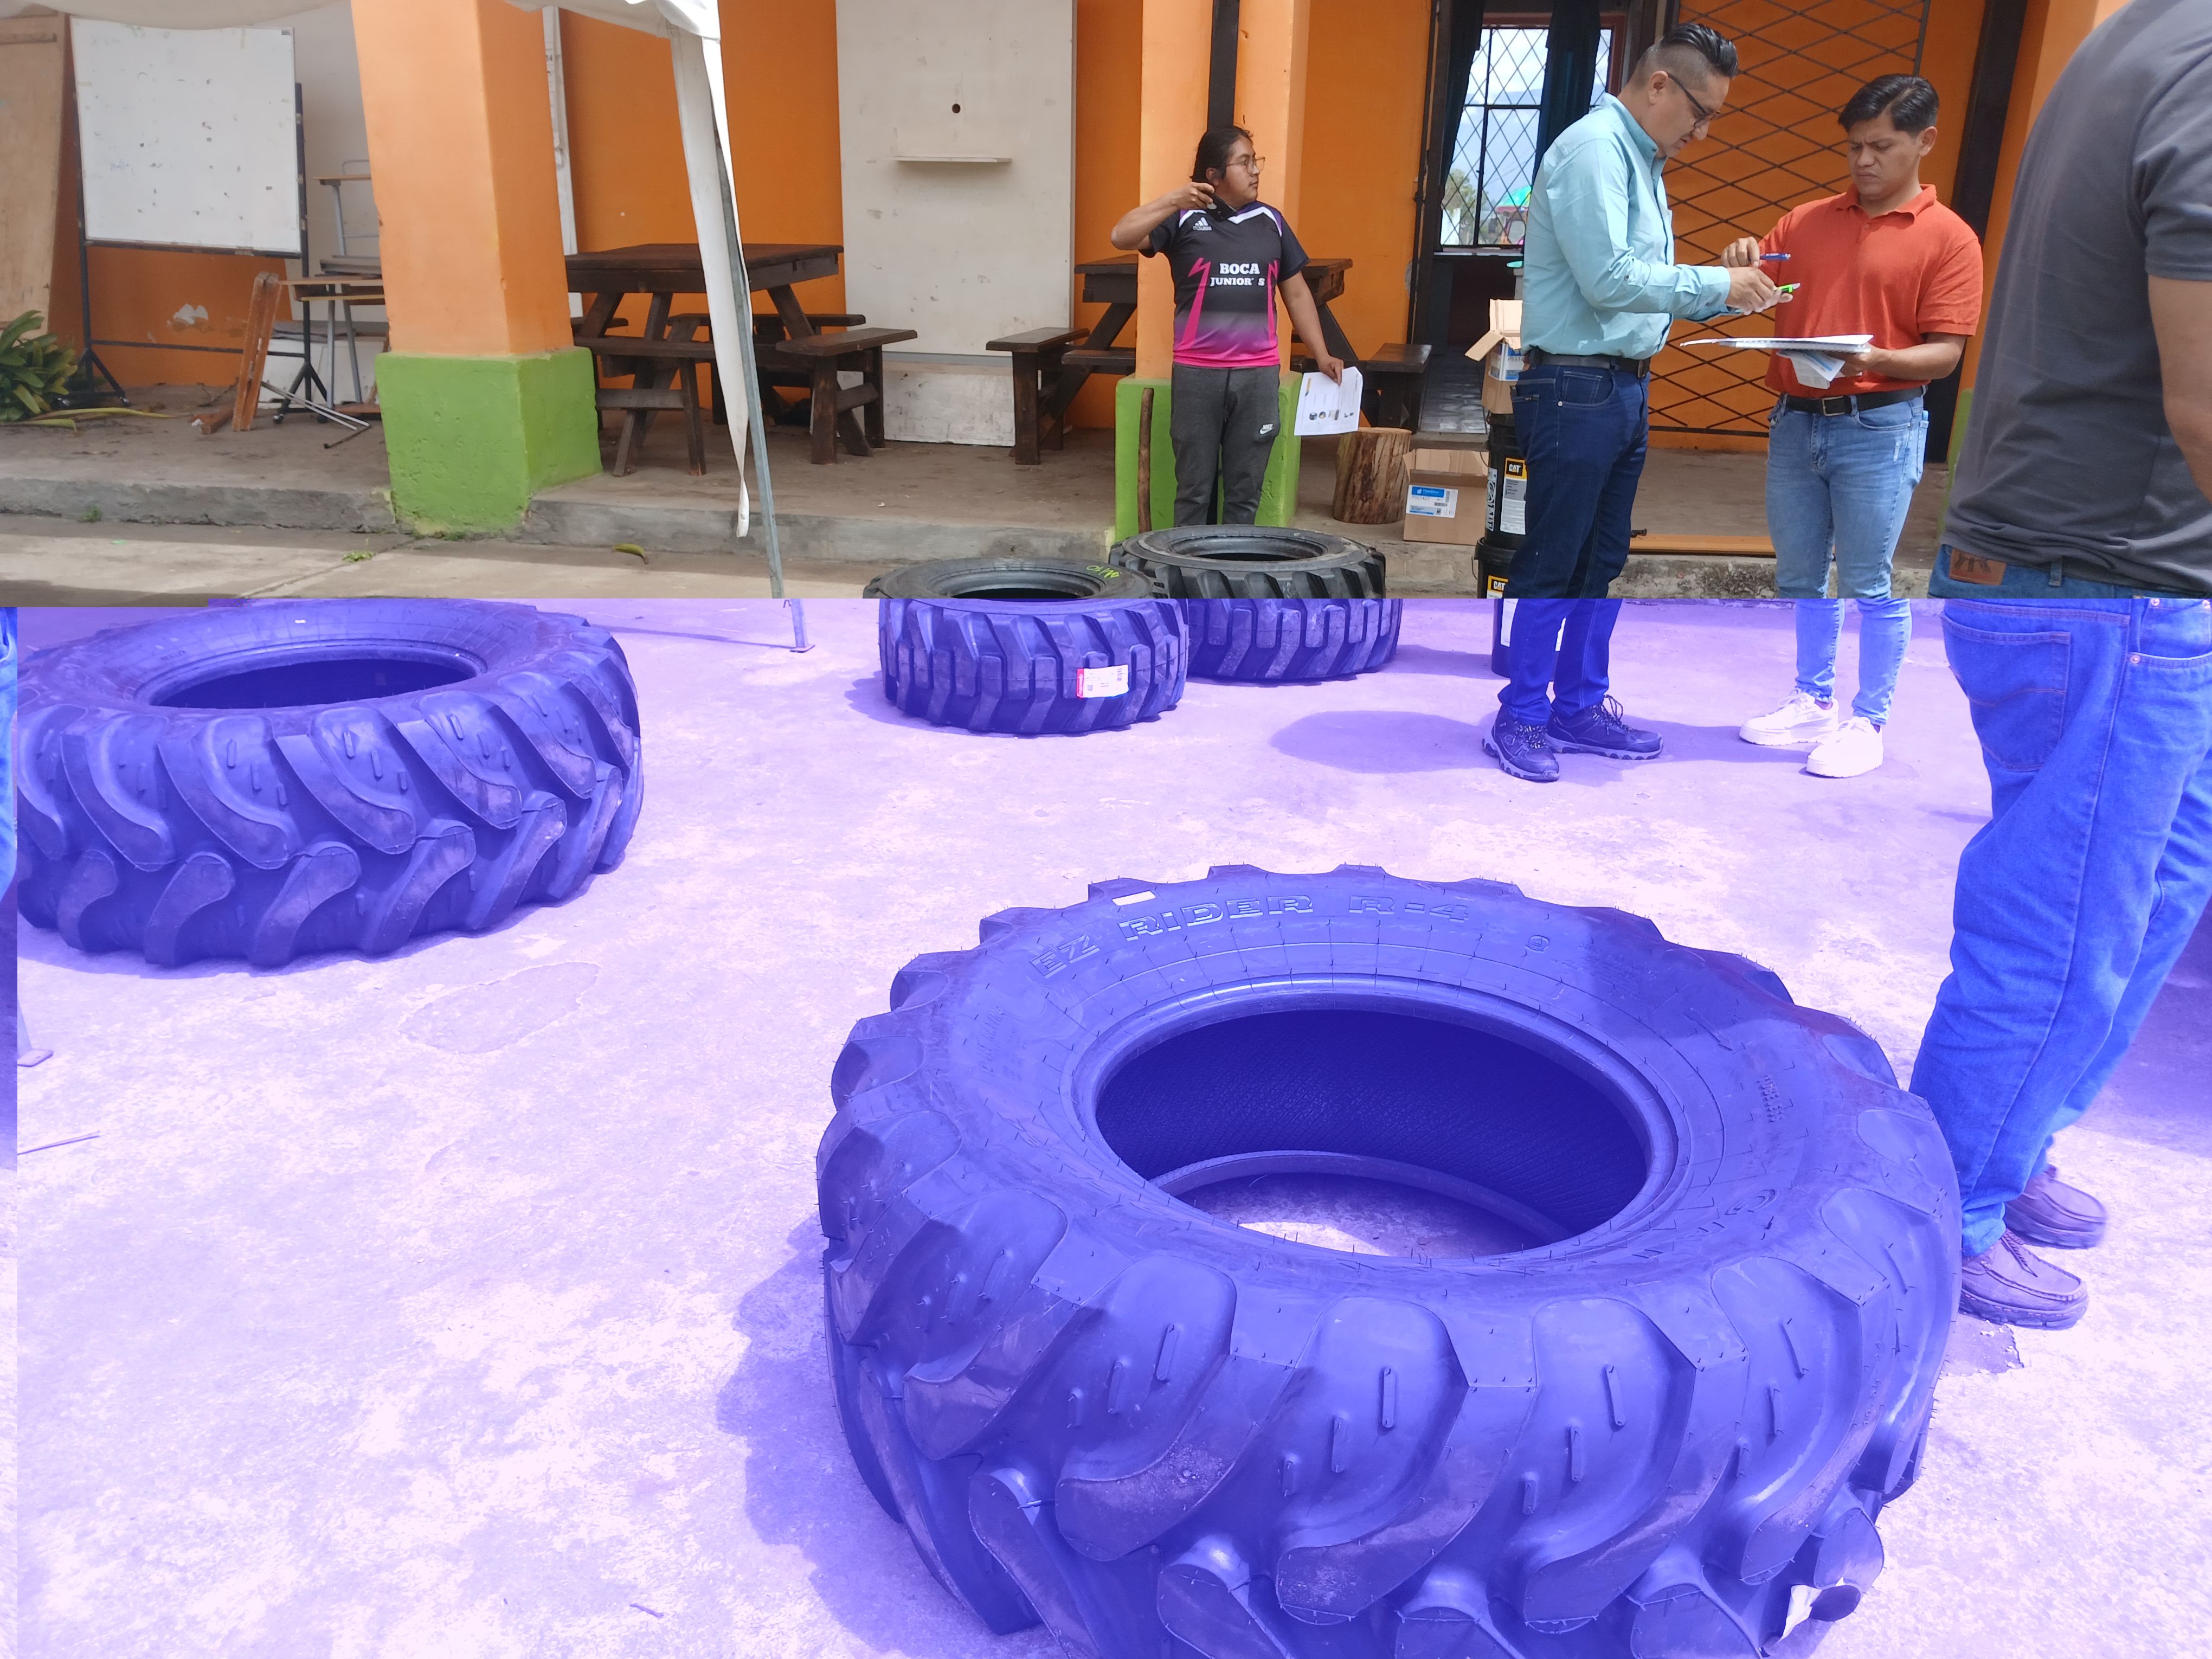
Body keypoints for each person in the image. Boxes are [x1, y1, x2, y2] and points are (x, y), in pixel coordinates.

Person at [1909, 0, 2212, 1330]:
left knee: (2152, 890)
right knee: (2064, 928)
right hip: (2103, 580)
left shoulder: (2139, 33)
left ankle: (2011, 1139)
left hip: (2120, 577)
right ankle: (1941, 1217)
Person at [1488, 23, 1779, 783]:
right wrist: (1715, 285)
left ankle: (1578, 705)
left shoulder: (1640, 161)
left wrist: (1731, 288)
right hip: (1575, 386)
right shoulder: (1594, 151)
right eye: (1700, 112)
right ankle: (1521, 714)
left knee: (1602, 558)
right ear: (1658, 85)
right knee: (1556, 557)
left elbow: (1642, 284)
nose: (1702, 132)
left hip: (1620, 384)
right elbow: (1610, 279)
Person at [1724, 75, 1982, 779]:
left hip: (1880, 425)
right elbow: (1753, 295)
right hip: (1794, 422)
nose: (1864, 160)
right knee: (1801, 576)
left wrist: (1877, 359)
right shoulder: (1805, 222)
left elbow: (1946, 353)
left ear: (1925, 141)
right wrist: (1740, 264)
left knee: (1870, 580)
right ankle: (1813, 700)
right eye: (1854, 147)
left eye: (1881, 147)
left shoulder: (1949, 239)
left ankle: (1869, 720)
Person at [1110, 126, 1343, 527]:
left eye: (1256, 161)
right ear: (1214, 175)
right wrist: (1172, 200)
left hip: (1258, 377)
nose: (1256, 171)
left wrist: (1321, 354)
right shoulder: (1183, 219)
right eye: (1245, 162)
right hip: (1197, 375)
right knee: (1193, 492)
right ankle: (1187, 566)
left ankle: (1234, 567)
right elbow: (1120, 236)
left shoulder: (1271, 221)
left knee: (1244, 494)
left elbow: (1297, 293)